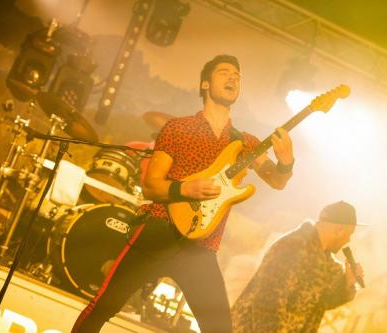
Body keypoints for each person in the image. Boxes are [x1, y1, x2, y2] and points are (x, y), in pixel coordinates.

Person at [72, 54, 295, 332]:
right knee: (103, 306)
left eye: (237, 75)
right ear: (205, 85)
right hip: (157, 231)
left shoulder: (246, 142)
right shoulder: (177, 128)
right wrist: (184, 188)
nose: (233, 78)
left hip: (201, 247)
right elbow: (151, 185)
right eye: (225, 72)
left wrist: (286, 161)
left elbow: (276, 180)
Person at [231, 201, 365, 333]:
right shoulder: (293, 246)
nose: (348, 240)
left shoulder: (328, 264)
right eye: (350, 234)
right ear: (339, 230)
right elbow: (267, 302)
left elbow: (323, 302)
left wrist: (348, 282)